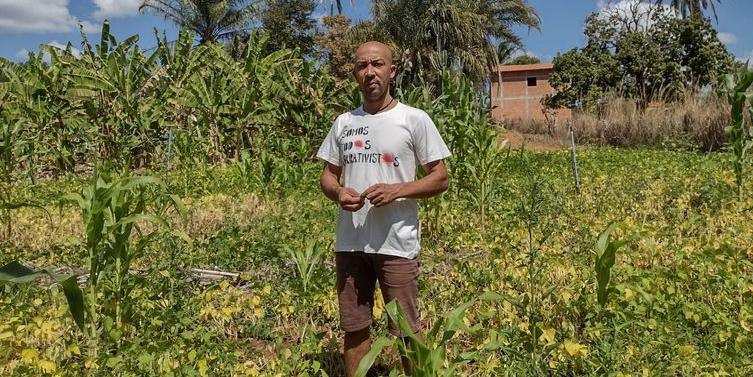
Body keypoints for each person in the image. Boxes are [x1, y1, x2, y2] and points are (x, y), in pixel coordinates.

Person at [316, 41, 451, 376]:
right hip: (350, 243)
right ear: (355, 73)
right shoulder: (344, 122)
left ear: (392, 71)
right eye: (362, 66)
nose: (369, 72)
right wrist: (338, 193)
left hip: (396, 243)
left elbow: (440, 178)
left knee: (405, 330)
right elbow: (328, 176)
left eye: (377, 64)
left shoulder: (414, 119)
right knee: (354, 326)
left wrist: (398, 190)